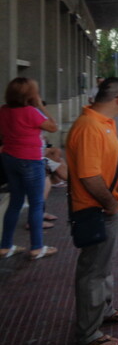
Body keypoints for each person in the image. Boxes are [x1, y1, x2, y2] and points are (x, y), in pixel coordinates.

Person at [66, 77, 118, 345]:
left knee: (102, 268)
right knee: (93, 273)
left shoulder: (102, 124)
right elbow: (89, 176)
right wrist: (109, 204)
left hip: (105, 209)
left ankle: (104, 311)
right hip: (96, 211)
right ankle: (88, 334)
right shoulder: (89, 127)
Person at [0, 77, 59, 260]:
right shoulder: (31, 112)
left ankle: (5, 246)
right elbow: (53, 127)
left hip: (9, 158)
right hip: (30, 159)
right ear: (30, 95)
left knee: (15, 202)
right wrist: (40, 106)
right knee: (36, 203)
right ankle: (36, 247)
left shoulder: (3, 111)